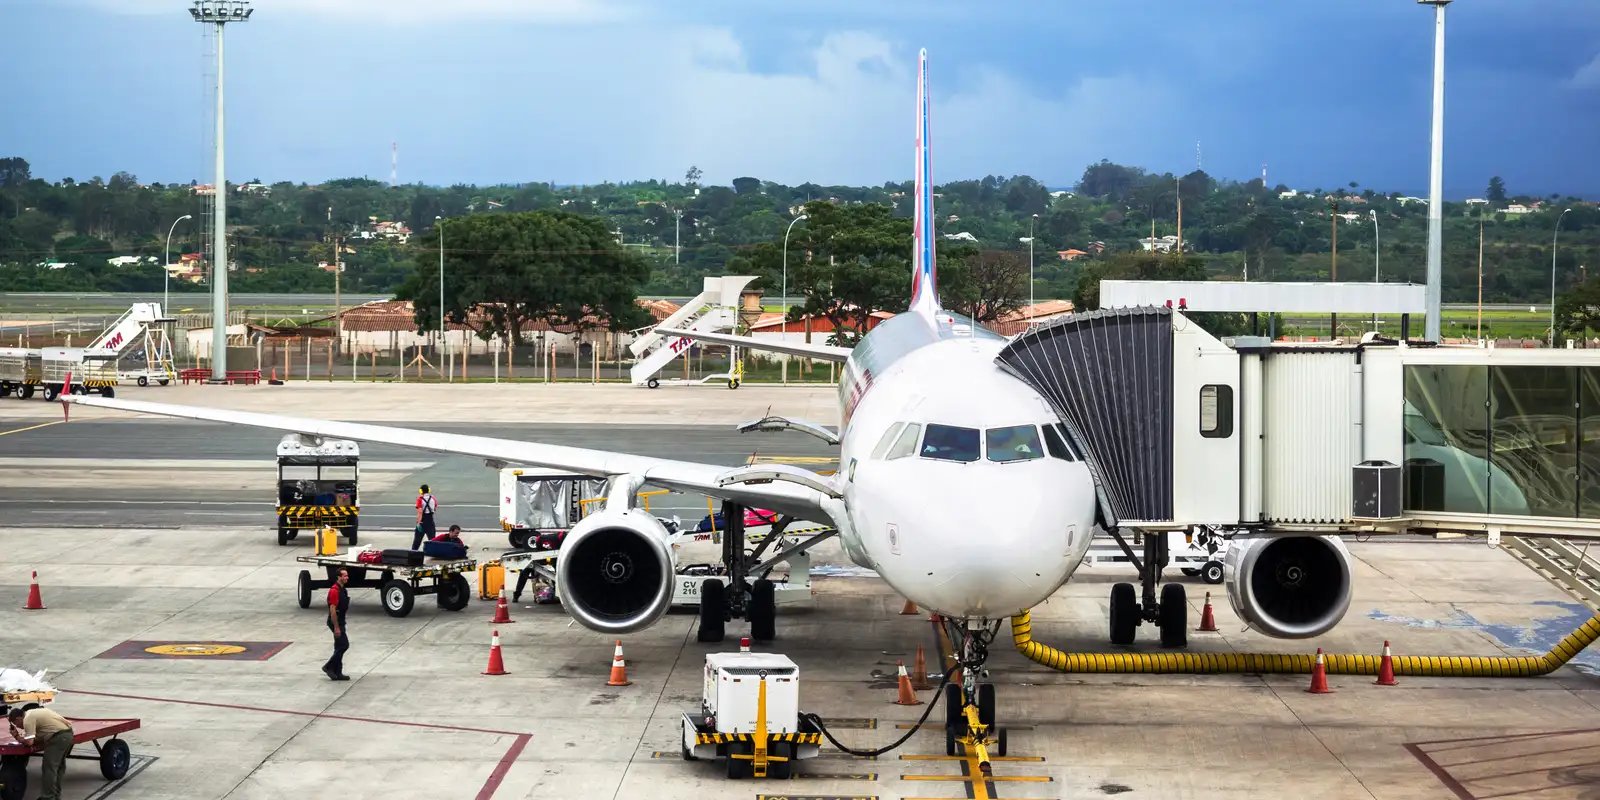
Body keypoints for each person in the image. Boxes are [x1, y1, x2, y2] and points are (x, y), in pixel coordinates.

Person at [8, 705, 73, 800]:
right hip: (67, 734)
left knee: (49, 768)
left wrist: (17, 737)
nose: (18, 727)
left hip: (58, 737)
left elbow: (30, 742)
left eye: (16, 724)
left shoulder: (27, 719)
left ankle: (48, 797)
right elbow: (39, 735)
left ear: (18, 718)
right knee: (58, 767)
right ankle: (55, 795)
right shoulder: (32, 712)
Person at [323, 568, 350, 681]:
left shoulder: (343, 590)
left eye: (347, 576)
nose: (347, 578)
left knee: (338, 646)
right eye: (344, 576)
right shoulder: (334, 591)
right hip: (336, 621)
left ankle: (338, 672)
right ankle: (328, 666)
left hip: (341, 620)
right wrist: (336, 627)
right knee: (344, 645)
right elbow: (333, 610)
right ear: (339, 577)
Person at [412, 484, 438, 550]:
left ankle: (413, 553)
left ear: (421, 491)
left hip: (423, 521)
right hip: (430, 521)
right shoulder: (433, 498)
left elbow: (420, 512)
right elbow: (434, 508)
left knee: (417, 541)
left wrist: (418, 522)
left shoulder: (420, 499)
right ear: (429, 490)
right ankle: (434, 553)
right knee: (432, 540)